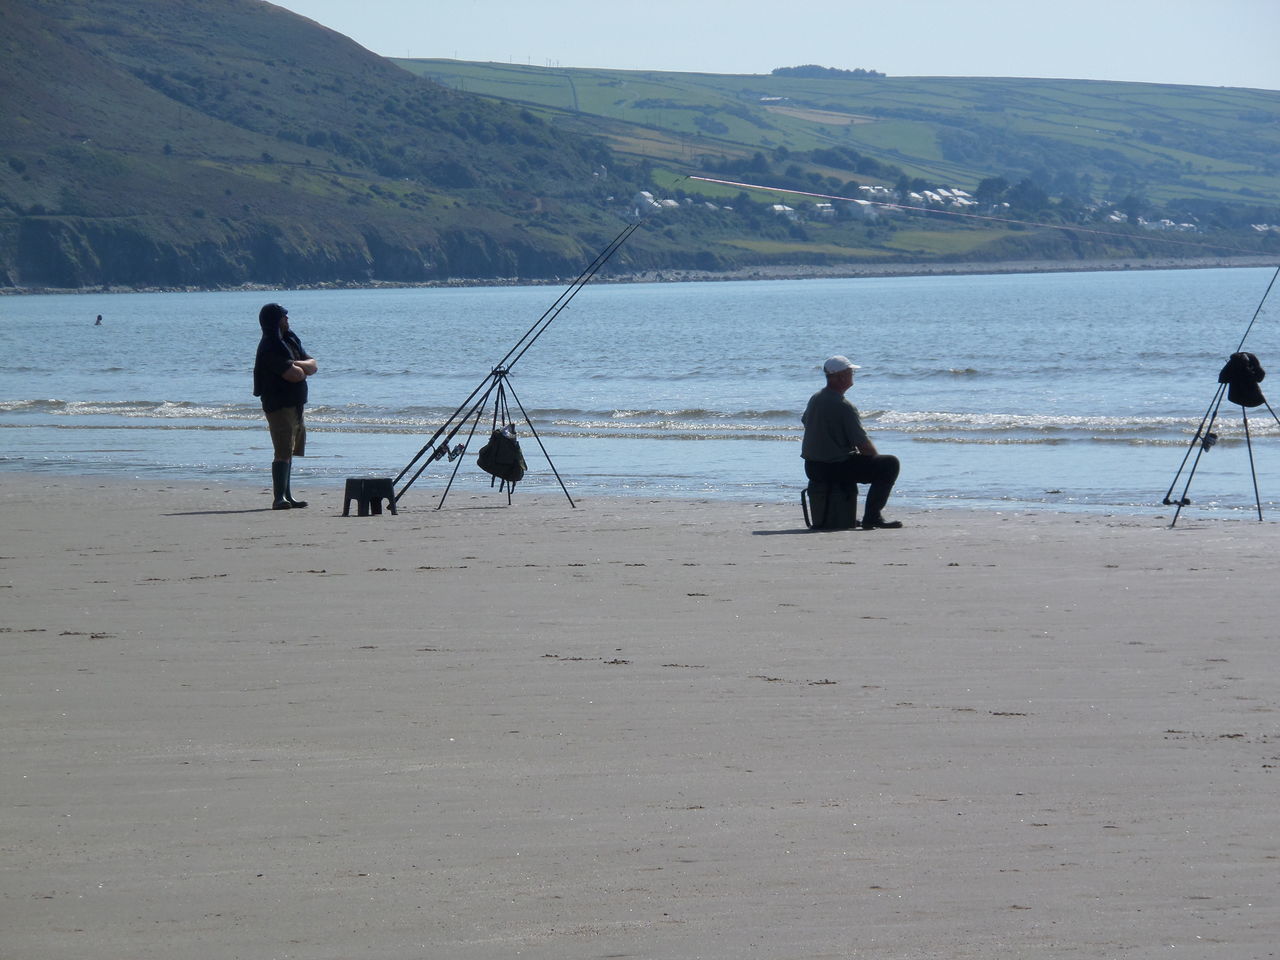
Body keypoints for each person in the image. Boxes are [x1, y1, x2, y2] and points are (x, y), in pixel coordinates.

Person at [801, 355, 902, 529]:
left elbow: (805, 421)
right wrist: (875, 462)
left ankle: (845, 515)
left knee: (852, 461)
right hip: (831, 467)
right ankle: (873, 516)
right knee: (889, 464)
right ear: (841, 377)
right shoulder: (843, 405)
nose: (852, 375)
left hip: (812, 467)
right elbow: (864, 446)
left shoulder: (816, 398)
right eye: (850, 372)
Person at [253, 303, 317, 510]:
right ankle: (278, 497)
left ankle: (288, 495)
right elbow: (294, 375)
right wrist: (300, 367)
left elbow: (313, 365)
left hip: (296, 403)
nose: (287, 320)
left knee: (290, 450)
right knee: (282, 450)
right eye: (283, 317)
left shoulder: (290, 339)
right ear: (274, 321)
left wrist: (296, 364)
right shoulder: (270, 346)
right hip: (279, 404)